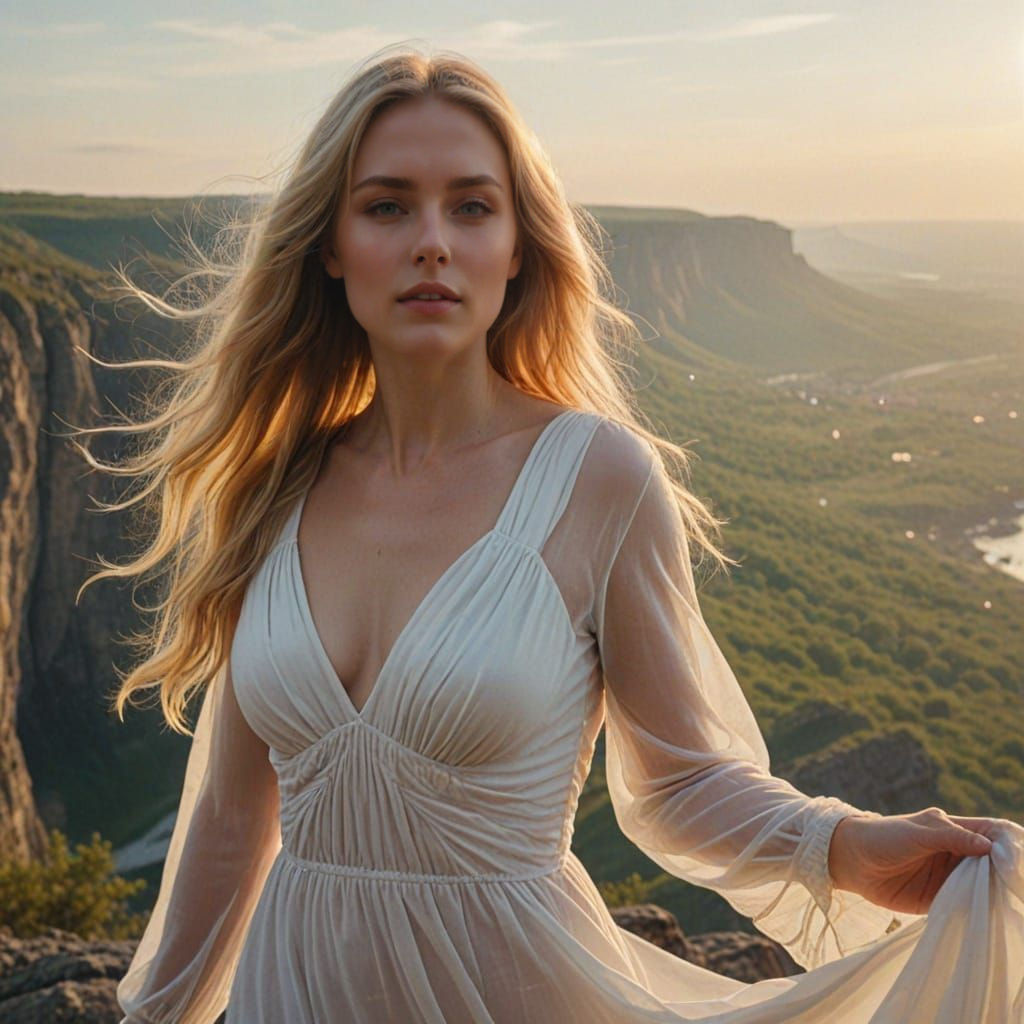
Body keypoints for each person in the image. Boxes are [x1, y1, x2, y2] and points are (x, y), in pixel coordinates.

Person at [76, 44, 1023, 1024]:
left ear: (518, 246)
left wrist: (846, 844)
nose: (432, 241)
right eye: (388, 204)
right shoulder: (274, 487)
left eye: (472, 206)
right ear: (329, 242)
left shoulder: (599, 477)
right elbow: (235, 815)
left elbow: (681, 783)